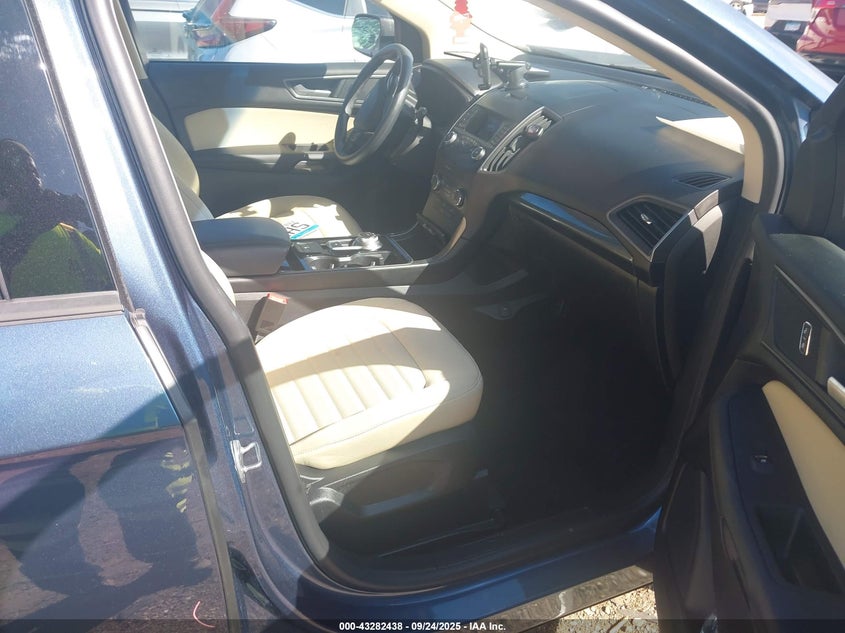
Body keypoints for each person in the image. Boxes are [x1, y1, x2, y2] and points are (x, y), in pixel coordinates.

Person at [0, 138, 111, 297]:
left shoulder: (72, 235)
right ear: (3, 183)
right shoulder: (6, 232)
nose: (34, 178)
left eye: (34, 171)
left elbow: (119, 277)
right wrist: (33, 225)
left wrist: (92, 217)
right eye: (21, 171)